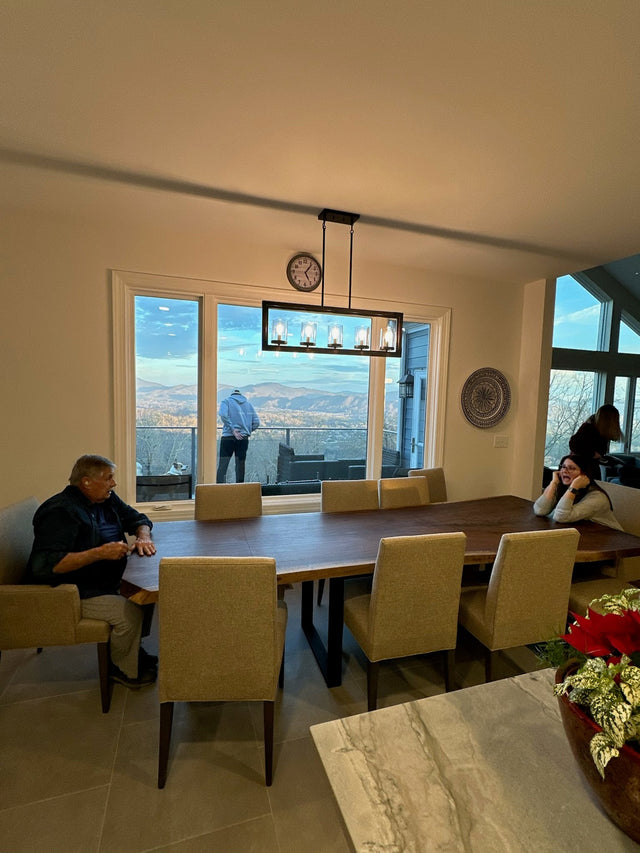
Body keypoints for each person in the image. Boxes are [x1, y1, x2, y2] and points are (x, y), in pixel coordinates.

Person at [26, 454, 159, 688]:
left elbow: (137, 518)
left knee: (144, 596)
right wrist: (99, 553)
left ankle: (130, 649)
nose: (113, 484)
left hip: (108, 579)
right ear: (86, 482)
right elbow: (45, 566)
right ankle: (122, 669)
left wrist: (143, 536)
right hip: (75, 590)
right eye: (109, 478)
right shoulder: (61, 511)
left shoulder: (105, 499)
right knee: (129, 613)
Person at [533, 453, 622, 530]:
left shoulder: (597, 497)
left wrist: (574, 486)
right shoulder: (563, 488)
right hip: (586, 534)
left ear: (584, 474)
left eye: (571, 468)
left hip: (611, 540)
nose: (564, 471)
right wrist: (554, 483)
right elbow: (540, 510)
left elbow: (561, 517)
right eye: (563, 467)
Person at [216, 389, 260, 483]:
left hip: (228, 437)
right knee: (240, 464)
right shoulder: (248, 405)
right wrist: (245, 431)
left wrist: (233, 429)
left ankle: (219, 487)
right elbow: (256, 422)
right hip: (243, 439)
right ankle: (240, 488)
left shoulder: (226, 401)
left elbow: (223, 414)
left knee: (223, 464)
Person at [569, 404, 622, 479]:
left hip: (588, 465)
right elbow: (573, 444)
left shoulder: (597, 429)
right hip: (581, 466)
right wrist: (593, 454)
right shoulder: (588, 428)